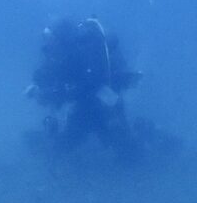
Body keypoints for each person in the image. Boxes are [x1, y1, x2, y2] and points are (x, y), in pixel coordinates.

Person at [26, 17, 157, 160]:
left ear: (62, 40)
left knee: (131, 155)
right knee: (63, 144)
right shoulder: (59, 54)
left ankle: (147, 130)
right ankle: (128, 136)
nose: (48, 44)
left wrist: (52, 95)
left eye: (51, 39)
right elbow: (46, 72)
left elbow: (88, 85)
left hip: (102, 105)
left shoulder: (84, 53)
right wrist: (37, 85)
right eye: (47, 38)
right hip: (84, 106)